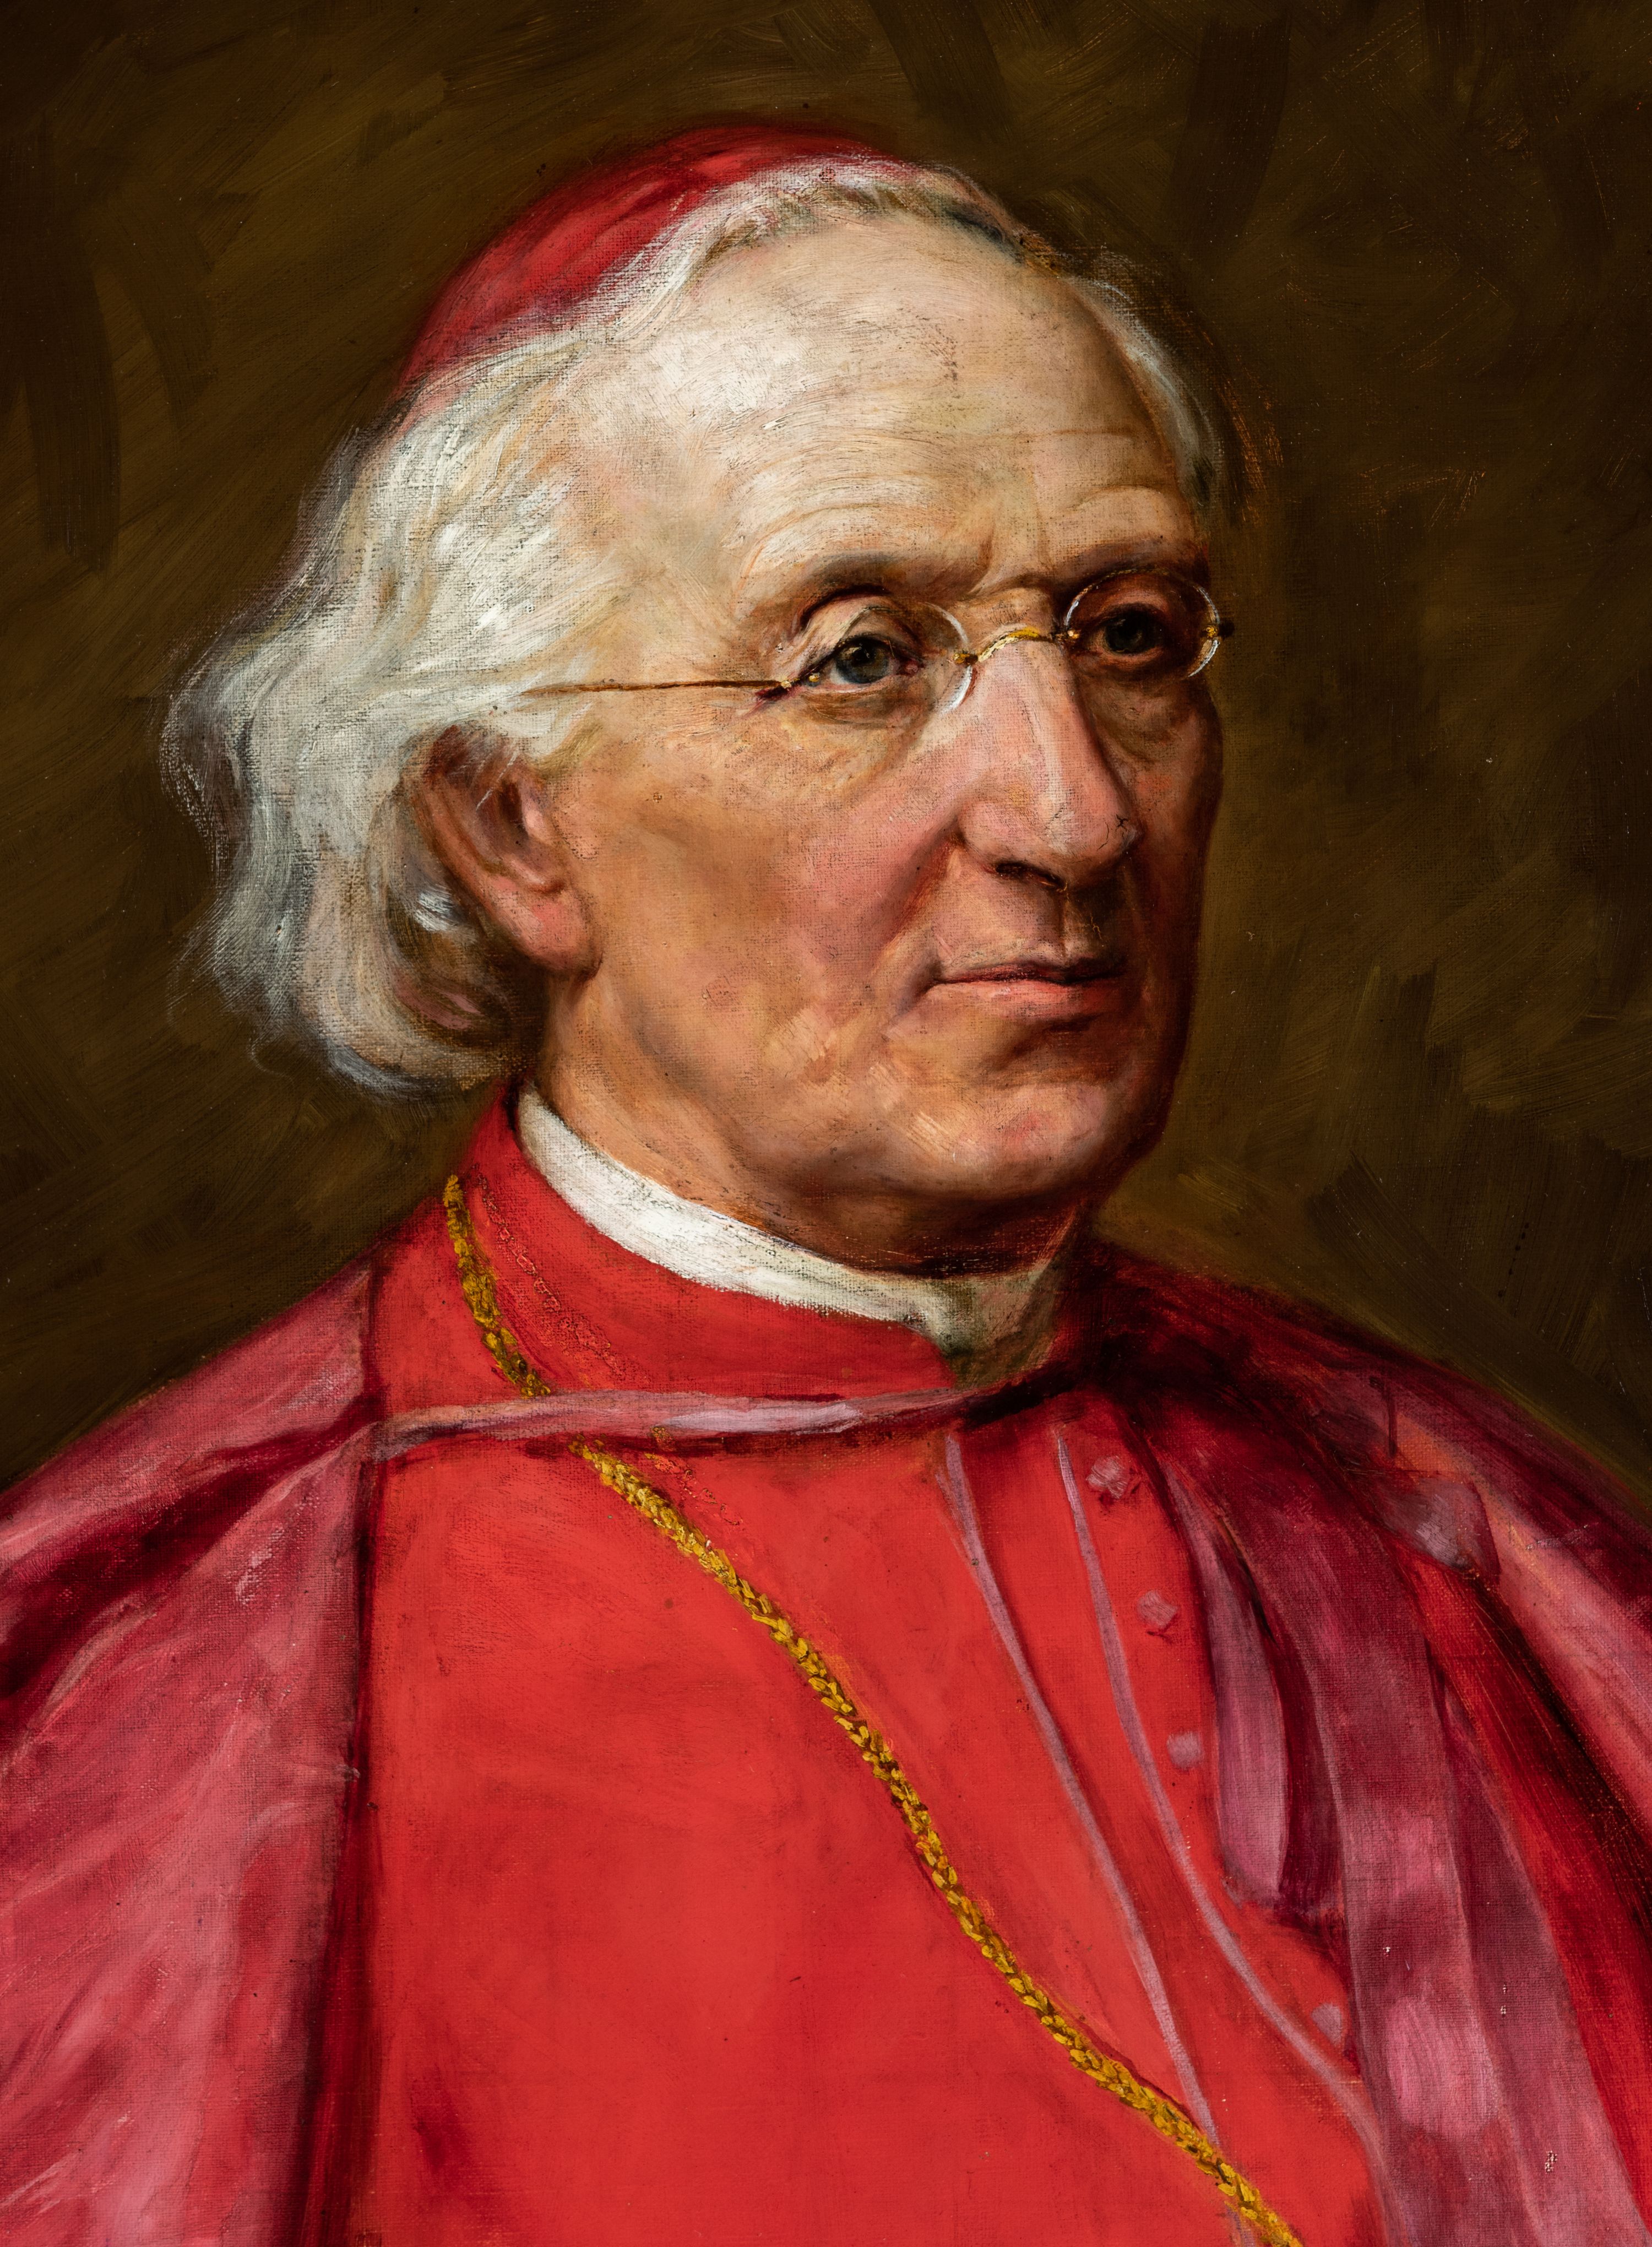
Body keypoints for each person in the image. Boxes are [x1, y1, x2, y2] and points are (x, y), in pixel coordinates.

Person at [3, 123, 1650, 2247]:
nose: (1073, 814)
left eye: (1129, 633)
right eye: (865, 658)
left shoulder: (1468, 1536)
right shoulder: (164, 1678)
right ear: (513, 827)